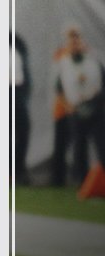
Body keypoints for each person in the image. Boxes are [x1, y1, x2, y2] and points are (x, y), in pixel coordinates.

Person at [56, 26, 105, 185]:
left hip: (96, 106)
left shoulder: (93, 60)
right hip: (75, 108)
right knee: (79, 146)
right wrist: (67, 106)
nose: (75, 44)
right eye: (72, 41)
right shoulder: (63, 64)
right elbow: (59, 89)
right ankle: (82, 182)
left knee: (101, 144)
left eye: (77, 40)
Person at [50, 41, 74, 187]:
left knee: (78, 145)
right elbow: (58, 86)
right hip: (62, 109)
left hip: (79, 108)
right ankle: (58, 178)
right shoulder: (62, 58)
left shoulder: (85, 57)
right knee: (61, 145)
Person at [13, 38, 31, 186]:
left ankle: (19, 170)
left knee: (23, 132)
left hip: (17, 93)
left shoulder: (16, 53)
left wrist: (23, 94)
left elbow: (25, 76)